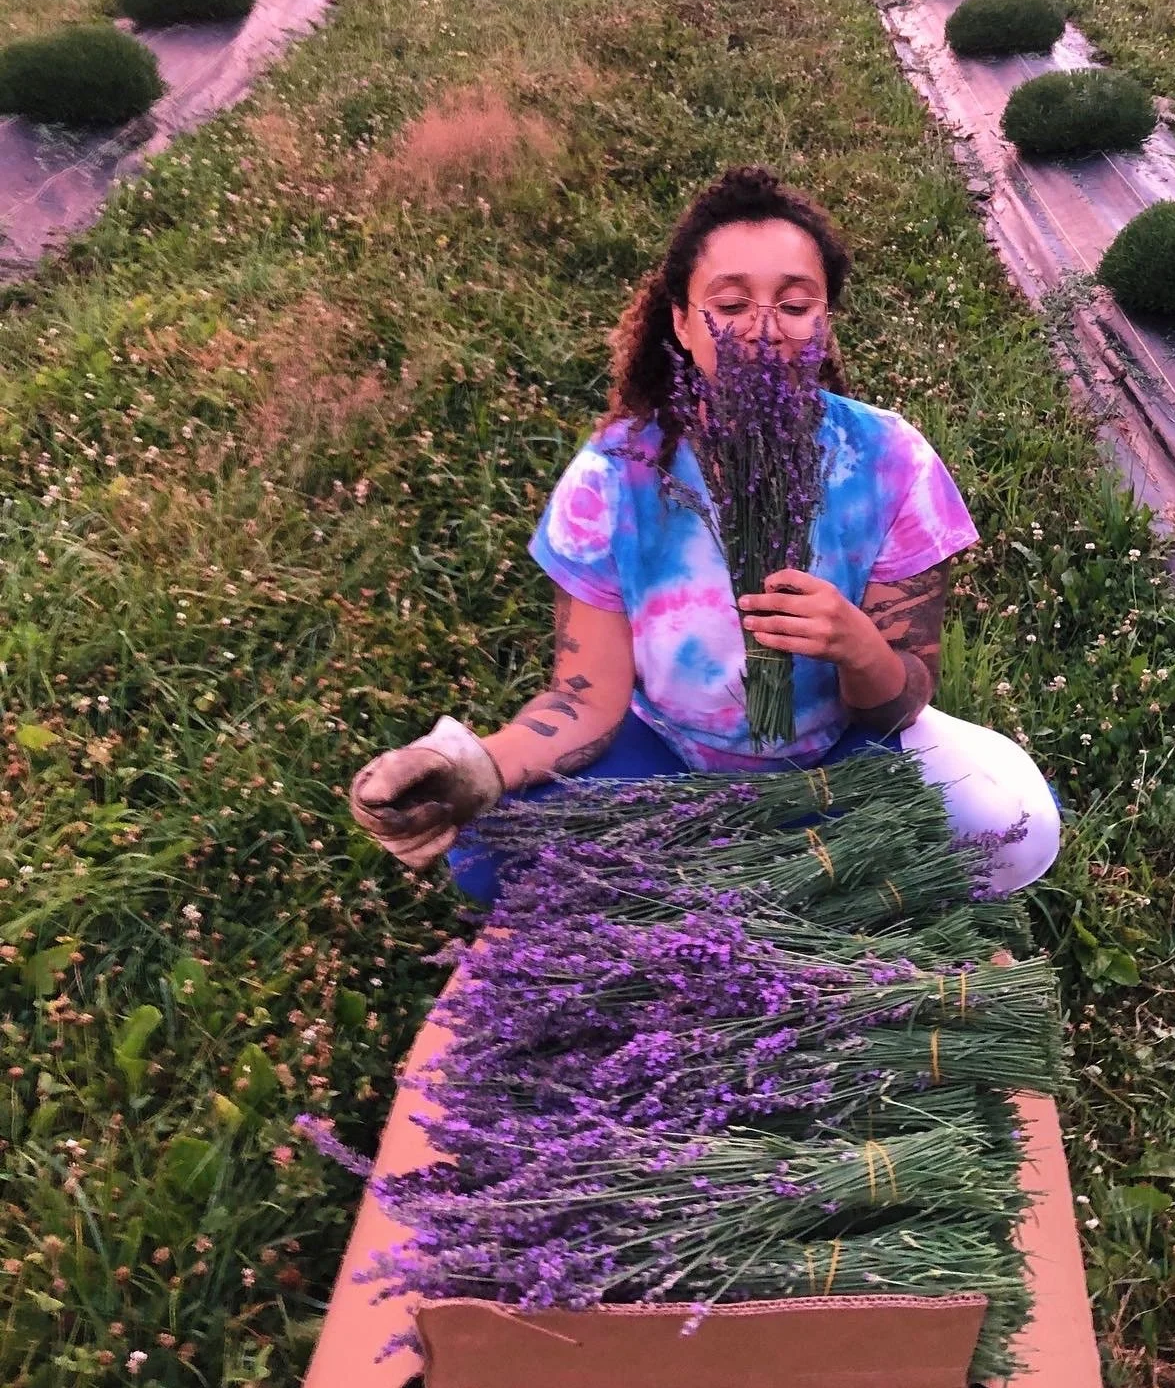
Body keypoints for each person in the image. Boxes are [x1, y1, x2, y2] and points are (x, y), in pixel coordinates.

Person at [349, 166, 1061, 899]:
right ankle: (759, 872)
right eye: (728, 302)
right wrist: (473, 767)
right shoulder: (614, 476)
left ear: (824, 322)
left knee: (1012, 824)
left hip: (839, 752)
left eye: (794, 303)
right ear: (682, 324)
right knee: (489, 854)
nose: (760, 326)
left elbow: (902, 697)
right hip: (668, 747)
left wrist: (856, 643)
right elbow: (585, 698)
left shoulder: (890, 460)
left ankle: (743, 871)